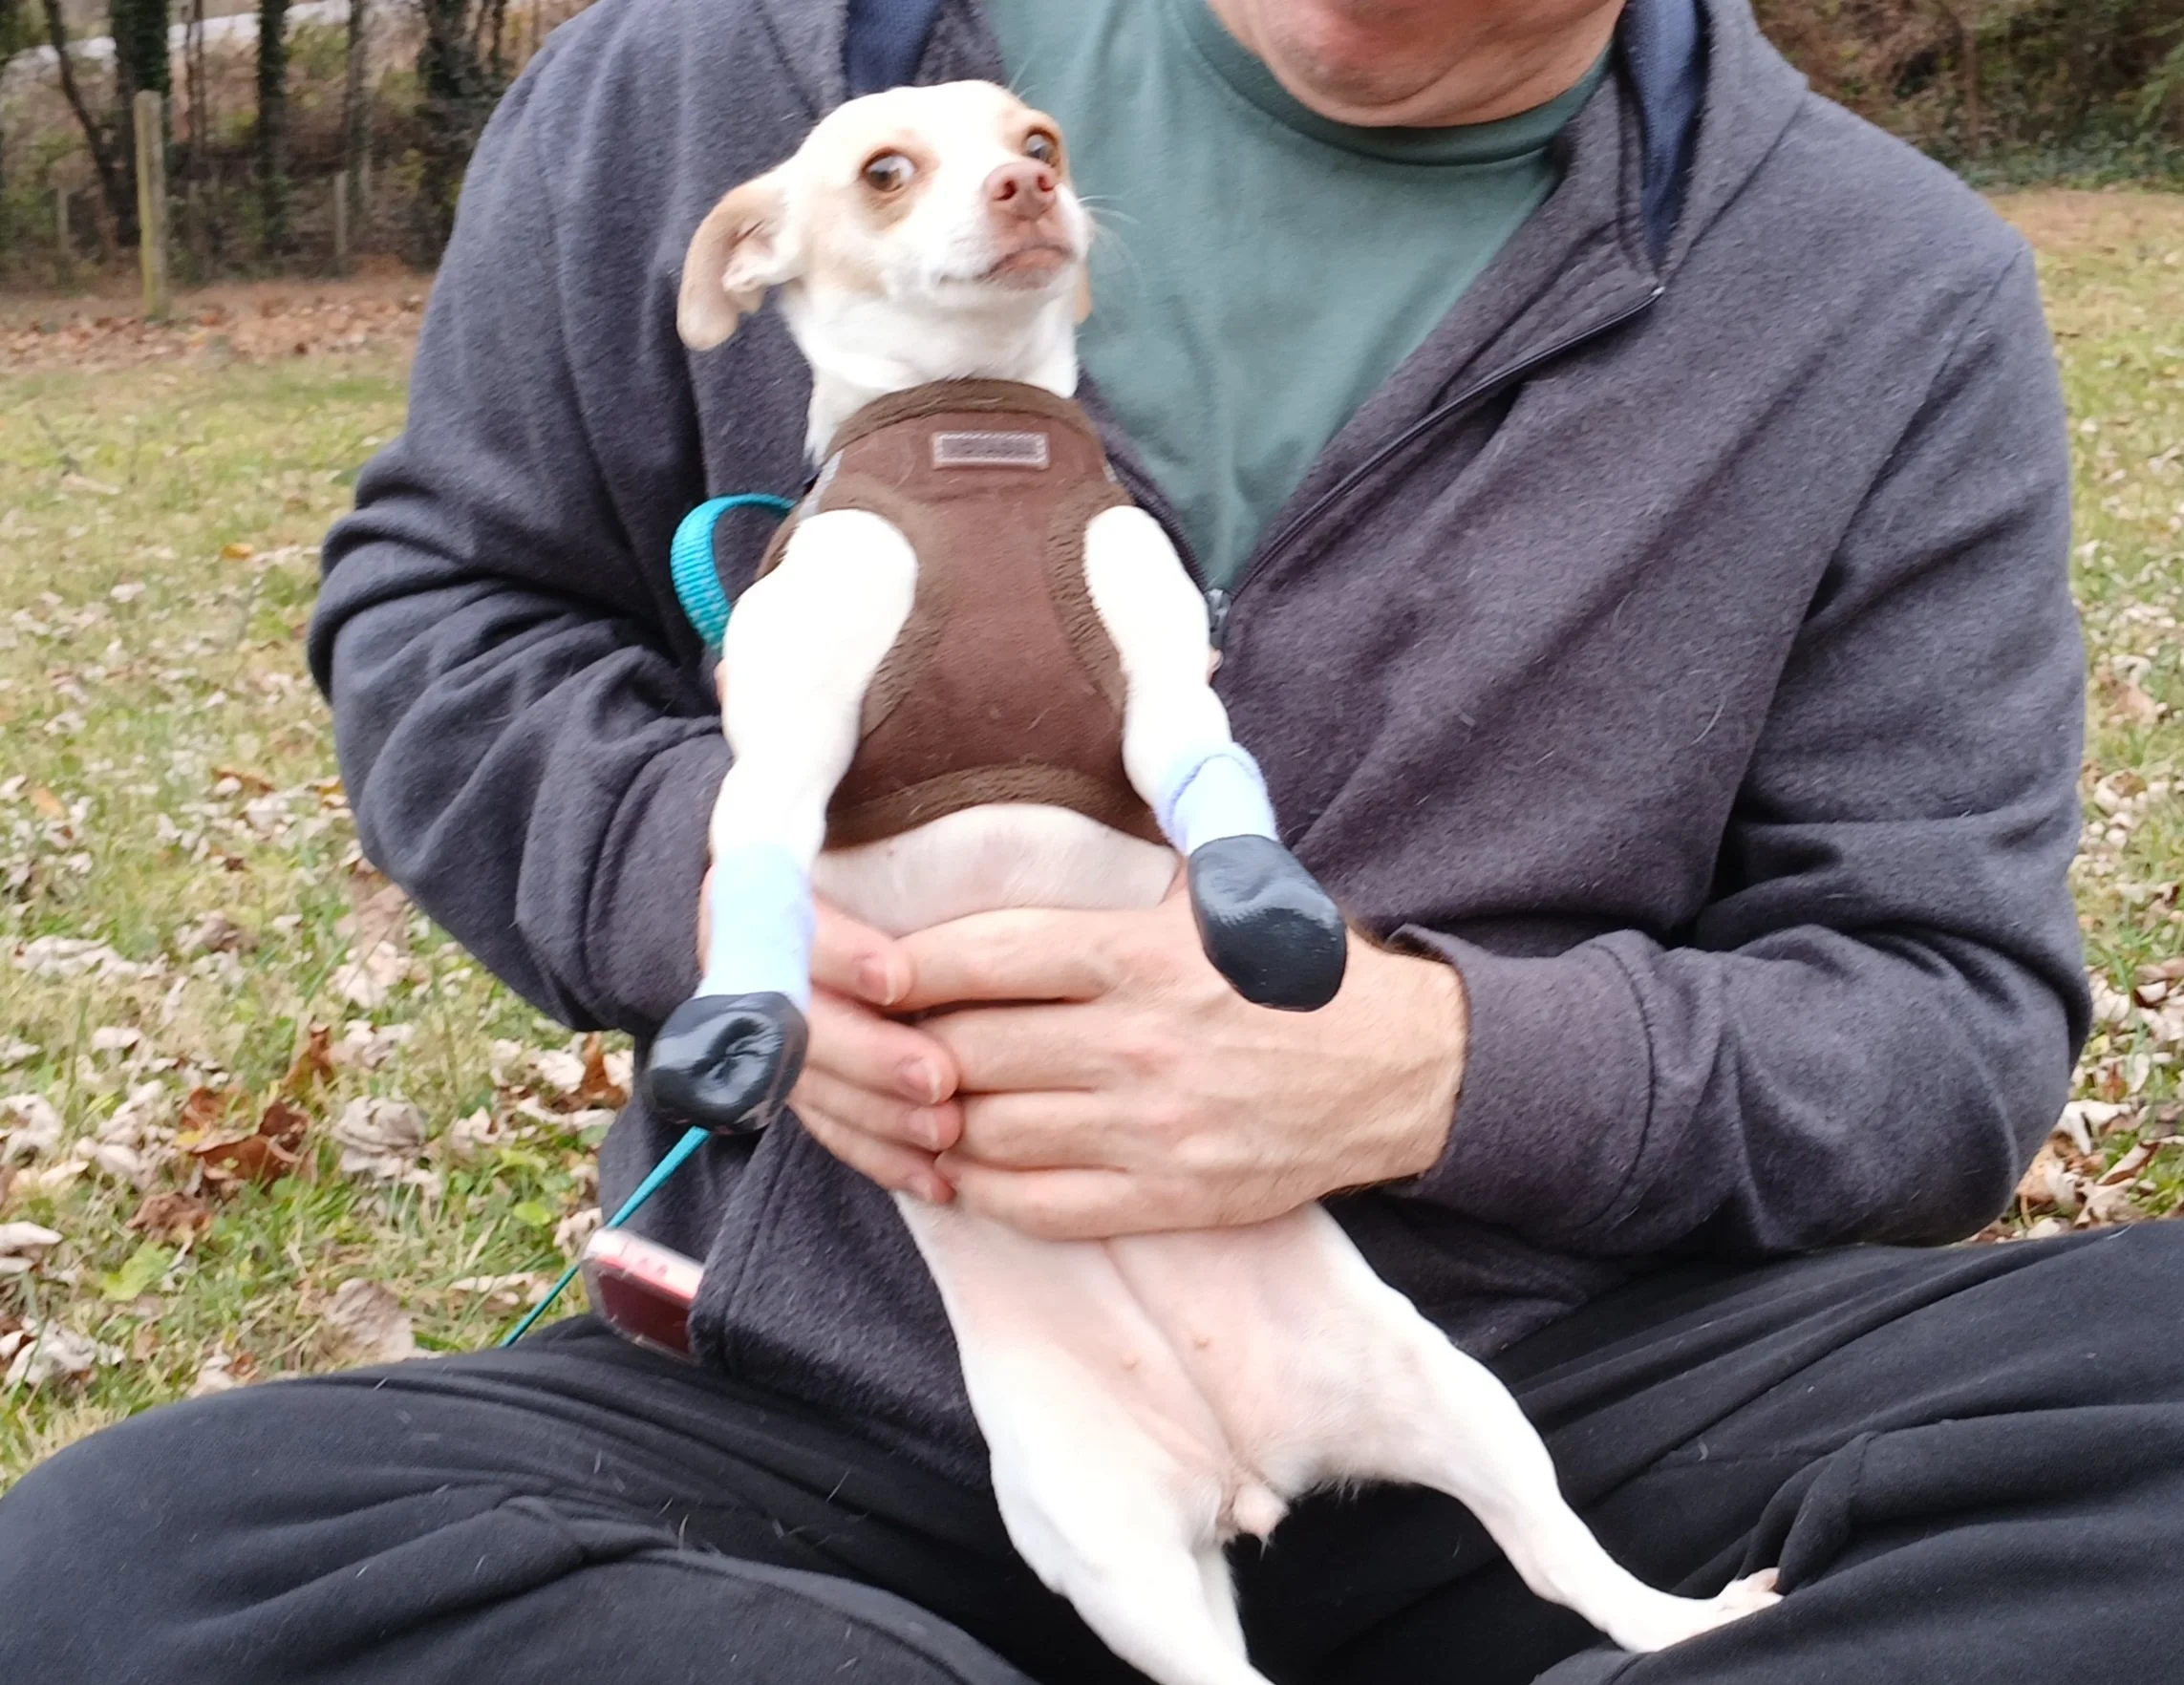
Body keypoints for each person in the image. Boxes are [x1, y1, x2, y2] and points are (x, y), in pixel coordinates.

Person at [7, 0, 2173, 1680]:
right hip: (824, 1412)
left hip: (1582, 1394)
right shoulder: (729, 74)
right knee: (125, 1577)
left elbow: (1940, 1016)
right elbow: (446, 606)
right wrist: (716, 884)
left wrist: (1433, 1069)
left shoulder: (1886, 295)